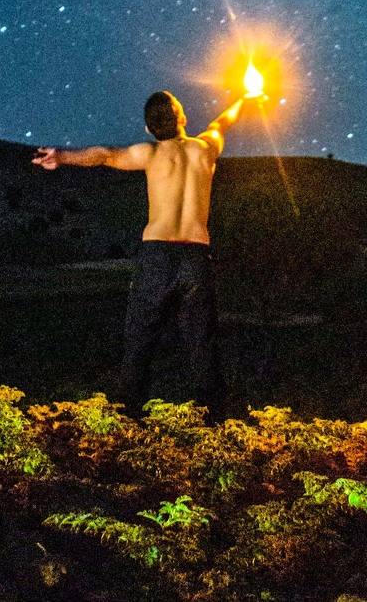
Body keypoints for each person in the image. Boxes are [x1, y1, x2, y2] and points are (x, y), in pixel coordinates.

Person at [31, 89, 248, 422]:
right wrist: (245, 99)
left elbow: (105, 155)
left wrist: (61, 156)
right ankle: (215, 422)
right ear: (183, 117)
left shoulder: (150, 153)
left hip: (156, 256)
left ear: (148, 129)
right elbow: (223, 122)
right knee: (202, 346)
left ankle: (129, 419)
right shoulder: (206, 148)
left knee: (140, 341)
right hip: (195, 257)